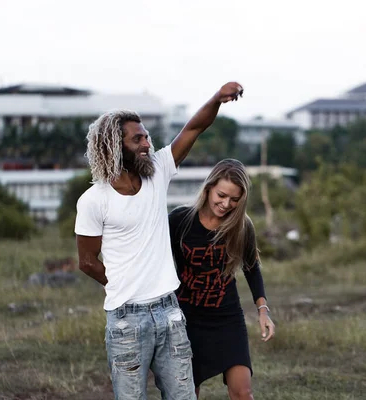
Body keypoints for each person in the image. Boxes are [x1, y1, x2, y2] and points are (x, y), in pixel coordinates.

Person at [74, 82, 244, 400]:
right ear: (115, 145)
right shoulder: (93, 200)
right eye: (137, 138)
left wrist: (216, 99)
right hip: (126, 319)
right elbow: (87, 261)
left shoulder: (157, 173)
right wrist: (122, 285)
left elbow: (194, 127)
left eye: (147, 136)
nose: (147, 143)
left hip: (170, 312)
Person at [168, 159, 276, 400]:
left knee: (242, 392)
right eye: (221, 195)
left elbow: (252, 268)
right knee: (187, 394)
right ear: (208, 188)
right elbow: (157, 259)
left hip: (227, 317)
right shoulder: (180, 220)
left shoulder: (241, 226)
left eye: (234, 199)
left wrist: (263, 310)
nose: (226, 204)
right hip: (187, 319)